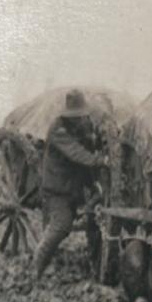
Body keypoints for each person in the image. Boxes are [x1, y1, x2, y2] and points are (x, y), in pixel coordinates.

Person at [32, 89, 107, 279]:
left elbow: (90, 143)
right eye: (76, 116)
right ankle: (35, 269)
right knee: (61, 225)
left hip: (75, 187)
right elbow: (75, 152)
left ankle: (95, 263)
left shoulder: (80, 126)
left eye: (81, 116)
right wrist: (100, 160)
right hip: (57, 189)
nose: (79, 119)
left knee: (95, 216)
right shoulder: (58, 129)